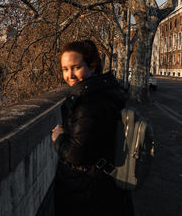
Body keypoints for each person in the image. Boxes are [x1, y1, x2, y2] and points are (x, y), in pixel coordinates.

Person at [51, 40, 134, 216]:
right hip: (103, 188)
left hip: (88, 192)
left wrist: (58, 138)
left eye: (76, 67)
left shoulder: (88, 103)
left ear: (93, 67)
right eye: (65, 69)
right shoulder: (104, 92)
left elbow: (76, 154)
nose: (70, 75)